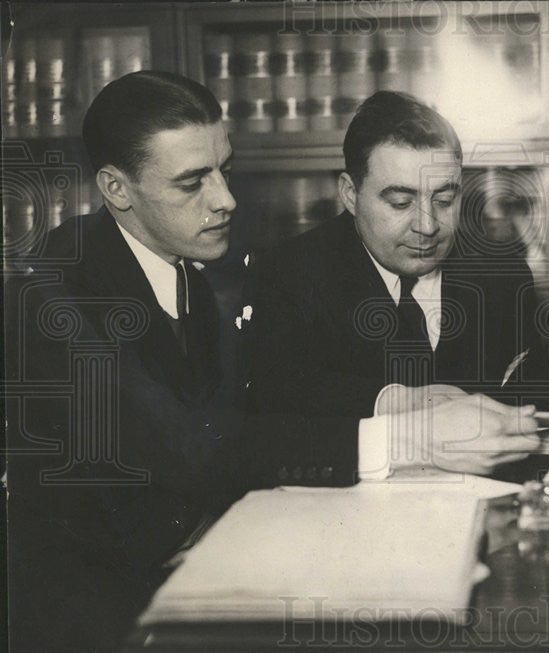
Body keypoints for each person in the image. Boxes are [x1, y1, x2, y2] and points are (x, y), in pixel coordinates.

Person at [6, 71, 354, 651]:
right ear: (117, 190)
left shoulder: (185, 271)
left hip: (179, 576)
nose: (226, 199)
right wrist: (392, 440)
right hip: (90, 624)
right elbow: (195, 446)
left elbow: (255, 403)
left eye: (224, 169)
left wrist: (392, 404)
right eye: (192, 182)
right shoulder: (53, 294)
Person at [246, 91, 549, 482]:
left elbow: (547, 392)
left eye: (445, 199)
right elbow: (276, 401)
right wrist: (398, 402)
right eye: (400, 202)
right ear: (350, 194)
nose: (427, 225)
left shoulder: (502, 272)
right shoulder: (288, 274)